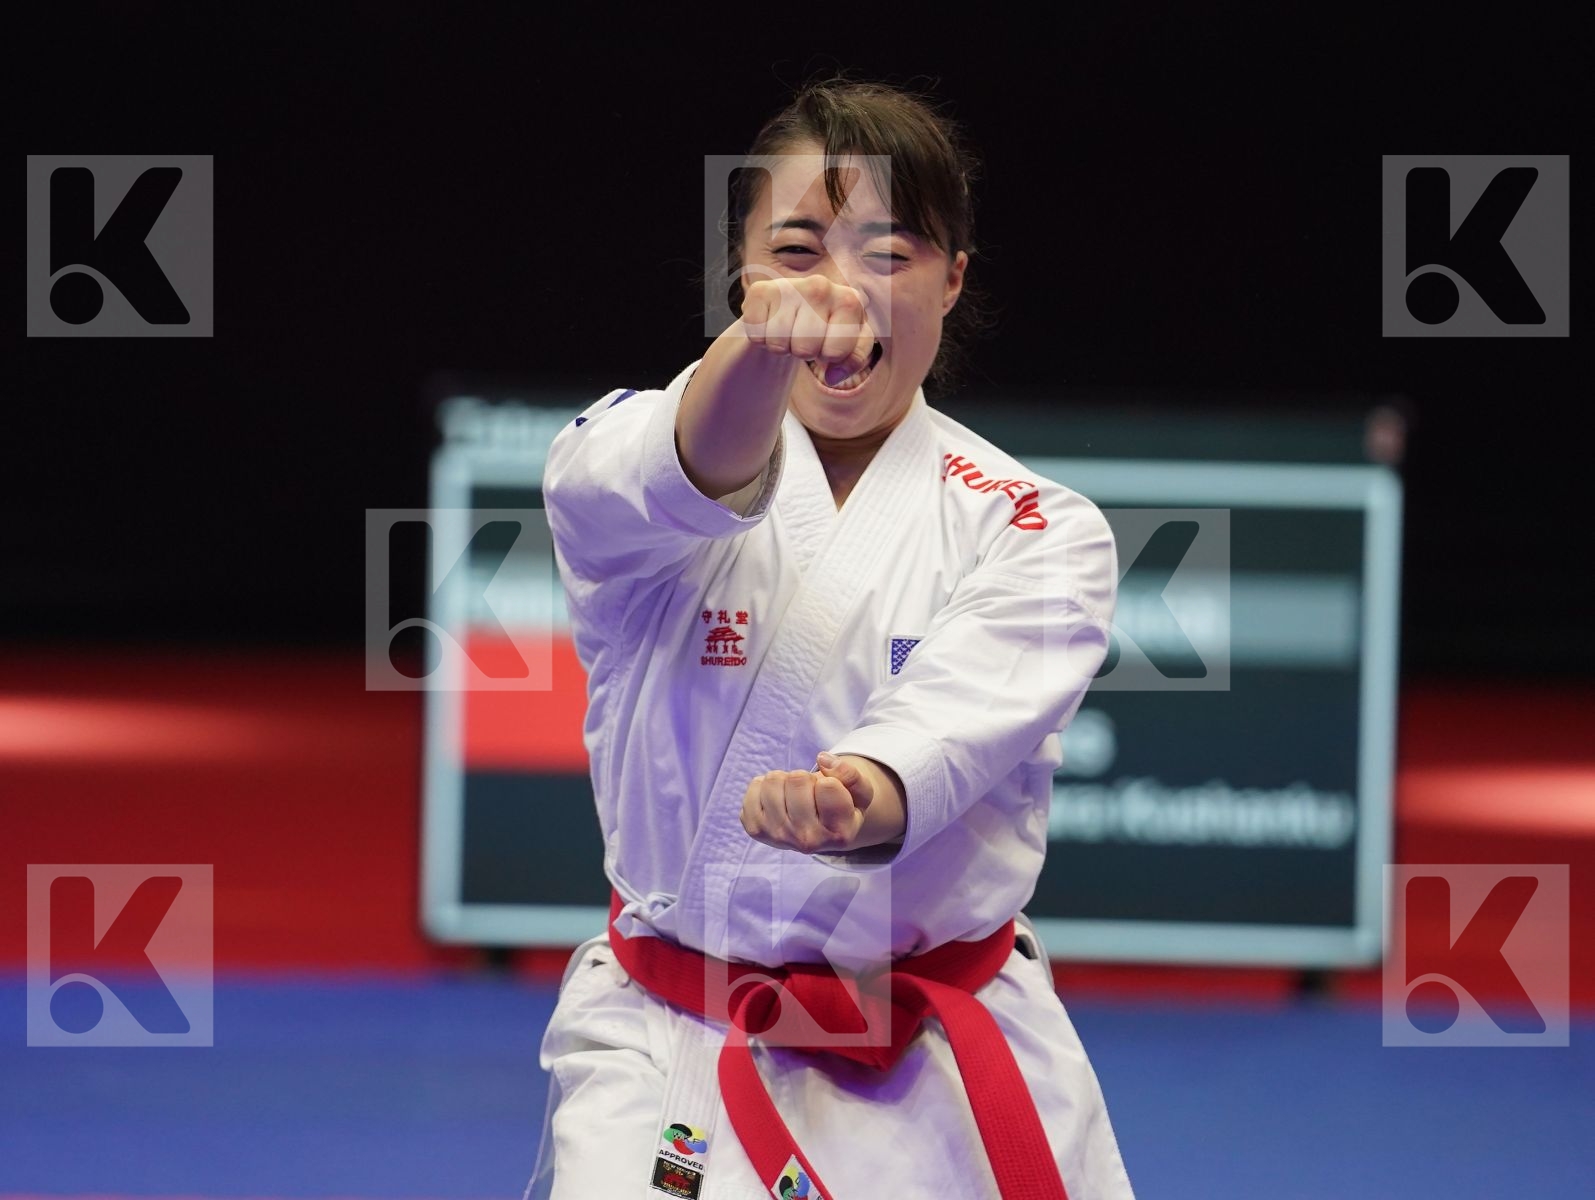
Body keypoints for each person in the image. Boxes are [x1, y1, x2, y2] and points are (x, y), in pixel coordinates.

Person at [525, 77, 1134, 1200]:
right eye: (798, 250)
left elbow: (955, 718)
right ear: (740, 275)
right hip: (678, 1044)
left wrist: (858, 789)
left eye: (889, 253)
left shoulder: (1036, 528)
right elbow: (681, 466)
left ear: (953, 280)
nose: (840, 293)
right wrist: (756, 351)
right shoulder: (611, 457)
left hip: (939, 1060)